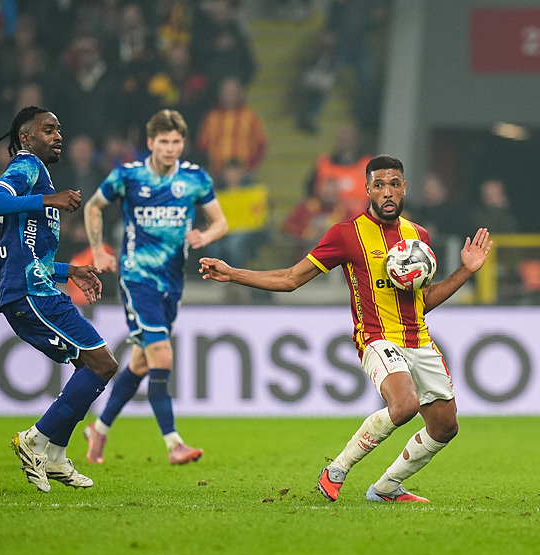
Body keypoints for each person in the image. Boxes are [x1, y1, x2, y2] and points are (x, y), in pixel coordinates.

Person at [199, 155, 492, 502]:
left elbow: (423, 300)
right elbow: (292, 279)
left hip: (419, 339)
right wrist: (233, 273)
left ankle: (385, 489)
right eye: (379, 184)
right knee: (404, 405)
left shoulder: (419, 235)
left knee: (445, 426)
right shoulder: (346, 234)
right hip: (376, 338)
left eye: (394, 184)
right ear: (367, 188)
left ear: (404, 188)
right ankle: (336, 469)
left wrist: (466, 271)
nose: (387, 192)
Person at [0, 106, 118, 492]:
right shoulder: (26, 167)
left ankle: (55, 455)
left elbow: (30, 255)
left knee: (89, 367)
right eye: (48, 129)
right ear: (26, 138)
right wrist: (48, 201)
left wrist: (68, 271)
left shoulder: (38, 174)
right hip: (30, 294)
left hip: (35, 286)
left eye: (59, 129)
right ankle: (36, 440)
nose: (58, 136)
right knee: (103, 363)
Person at [82, 109, 228, 465]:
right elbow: (93, 207)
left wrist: (204, 235)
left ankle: (99, 429)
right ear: (151, 143)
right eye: (164, 141)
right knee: (161, 354)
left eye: (176, 141)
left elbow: (220, 222)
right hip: (137, 278)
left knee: (142, 363)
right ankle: (173, 442)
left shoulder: (194, 178)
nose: (170, 148)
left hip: (173, 281)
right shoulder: (128, 176)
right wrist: (99, 249)